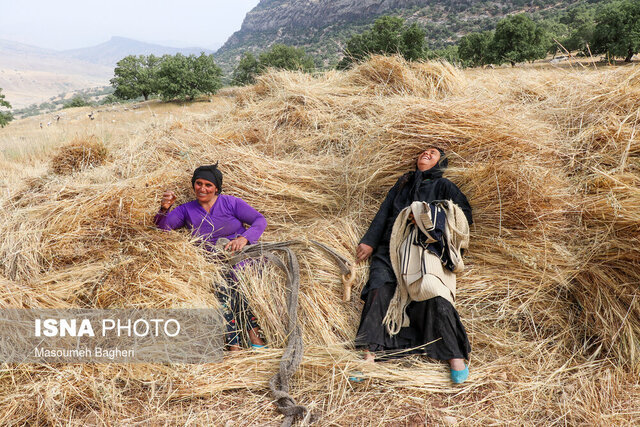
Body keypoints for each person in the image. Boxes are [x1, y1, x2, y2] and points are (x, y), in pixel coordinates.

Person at [355, 147, 473, 383]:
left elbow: (463, 217)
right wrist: (369, 242)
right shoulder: (403, 182)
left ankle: (455, 357)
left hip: (424, 250)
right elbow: (384, 212)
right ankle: (369, 356)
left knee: (434, 292)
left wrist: (425, 215)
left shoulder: (445, 186)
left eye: (433, 153)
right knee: (379, 290)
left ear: (441, 163)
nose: (426, 154)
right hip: (390, 247)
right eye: (424, 152)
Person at [154, 164, 267, 351]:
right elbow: (163, 229)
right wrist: (164, 209)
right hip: (210, 263)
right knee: (220, 288)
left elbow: (259, 220)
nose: (202, 189)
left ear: (216, 188)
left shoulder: (231, 203)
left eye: (208, 185)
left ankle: (254, 335)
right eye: (198, 183)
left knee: (236, 281)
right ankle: (235, 345)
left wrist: (244, 238)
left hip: (239, 258)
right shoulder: (186, 210)